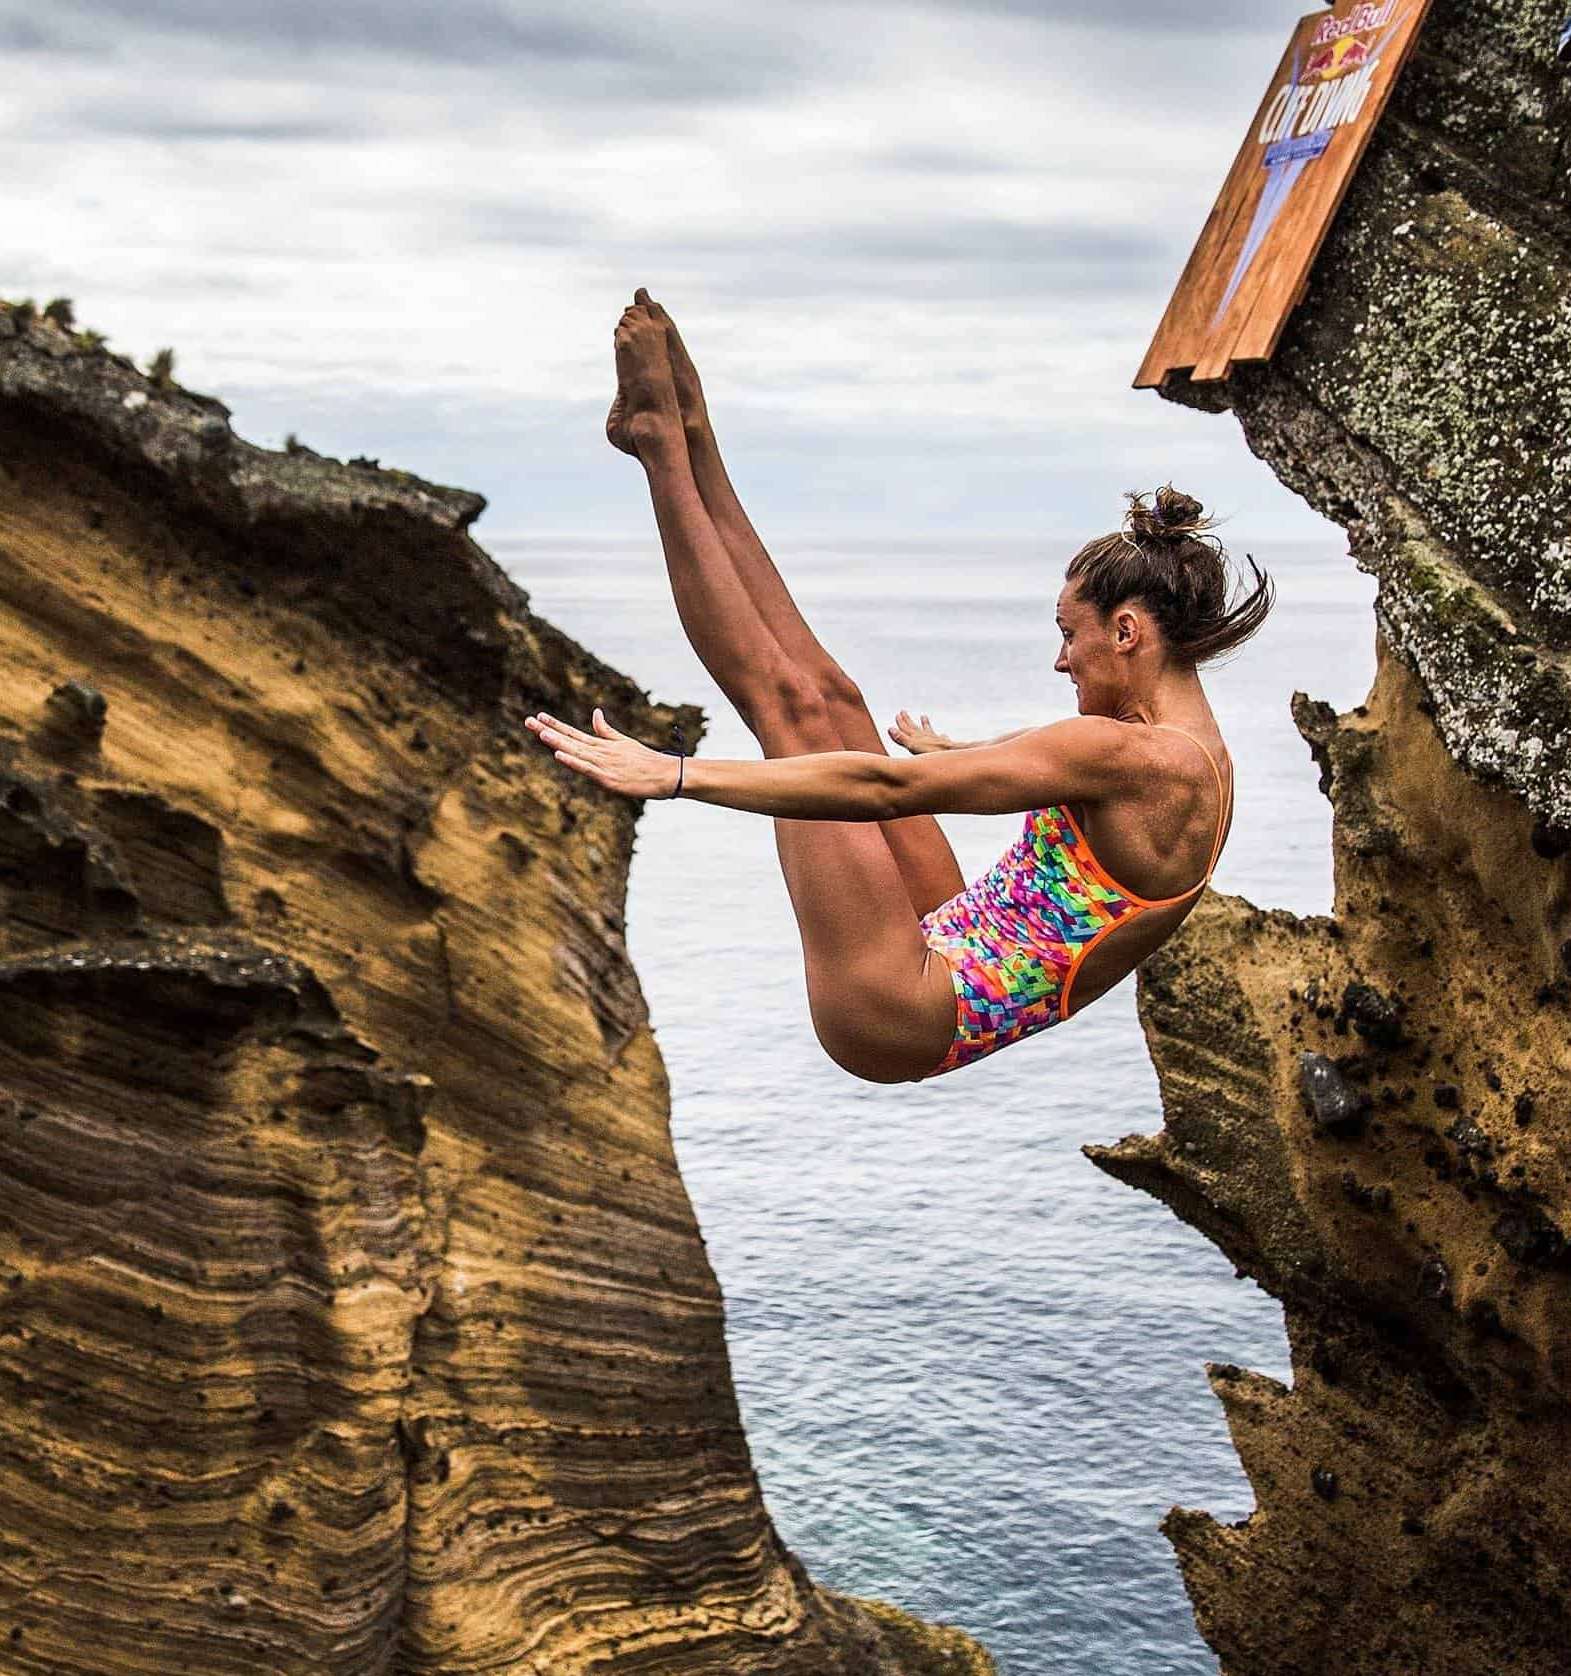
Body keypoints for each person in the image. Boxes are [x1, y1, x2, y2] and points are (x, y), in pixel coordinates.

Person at [529, 291, 1266, 1085]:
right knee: (838, 698)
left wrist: (675, 775)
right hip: (954, 942)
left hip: (898, 1009)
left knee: (791, 707)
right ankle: (694, 438)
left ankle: (659, 448)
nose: (1061, 662)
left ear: (1125, 632)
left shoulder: (1125, 753)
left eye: (1068, 633)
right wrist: (964, 748)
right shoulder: (1197, 758)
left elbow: (885, 786)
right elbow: (1070, 765)